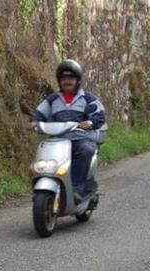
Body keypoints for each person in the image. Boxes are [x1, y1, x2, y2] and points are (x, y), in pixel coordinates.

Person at [33, 59, 106, 200]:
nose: (67, 81)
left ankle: (78, 188)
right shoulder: (52, 99)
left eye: (71, 78)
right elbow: (39, 113)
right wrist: (33, 120)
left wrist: (90, 122)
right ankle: (45, 185)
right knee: (43, 155)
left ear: (77, 80)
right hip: (58, 140)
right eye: (64, 78)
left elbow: (99, 115)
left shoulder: (87, 98)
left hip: (80, 138)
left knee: (86, 150)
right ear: (59, 81)